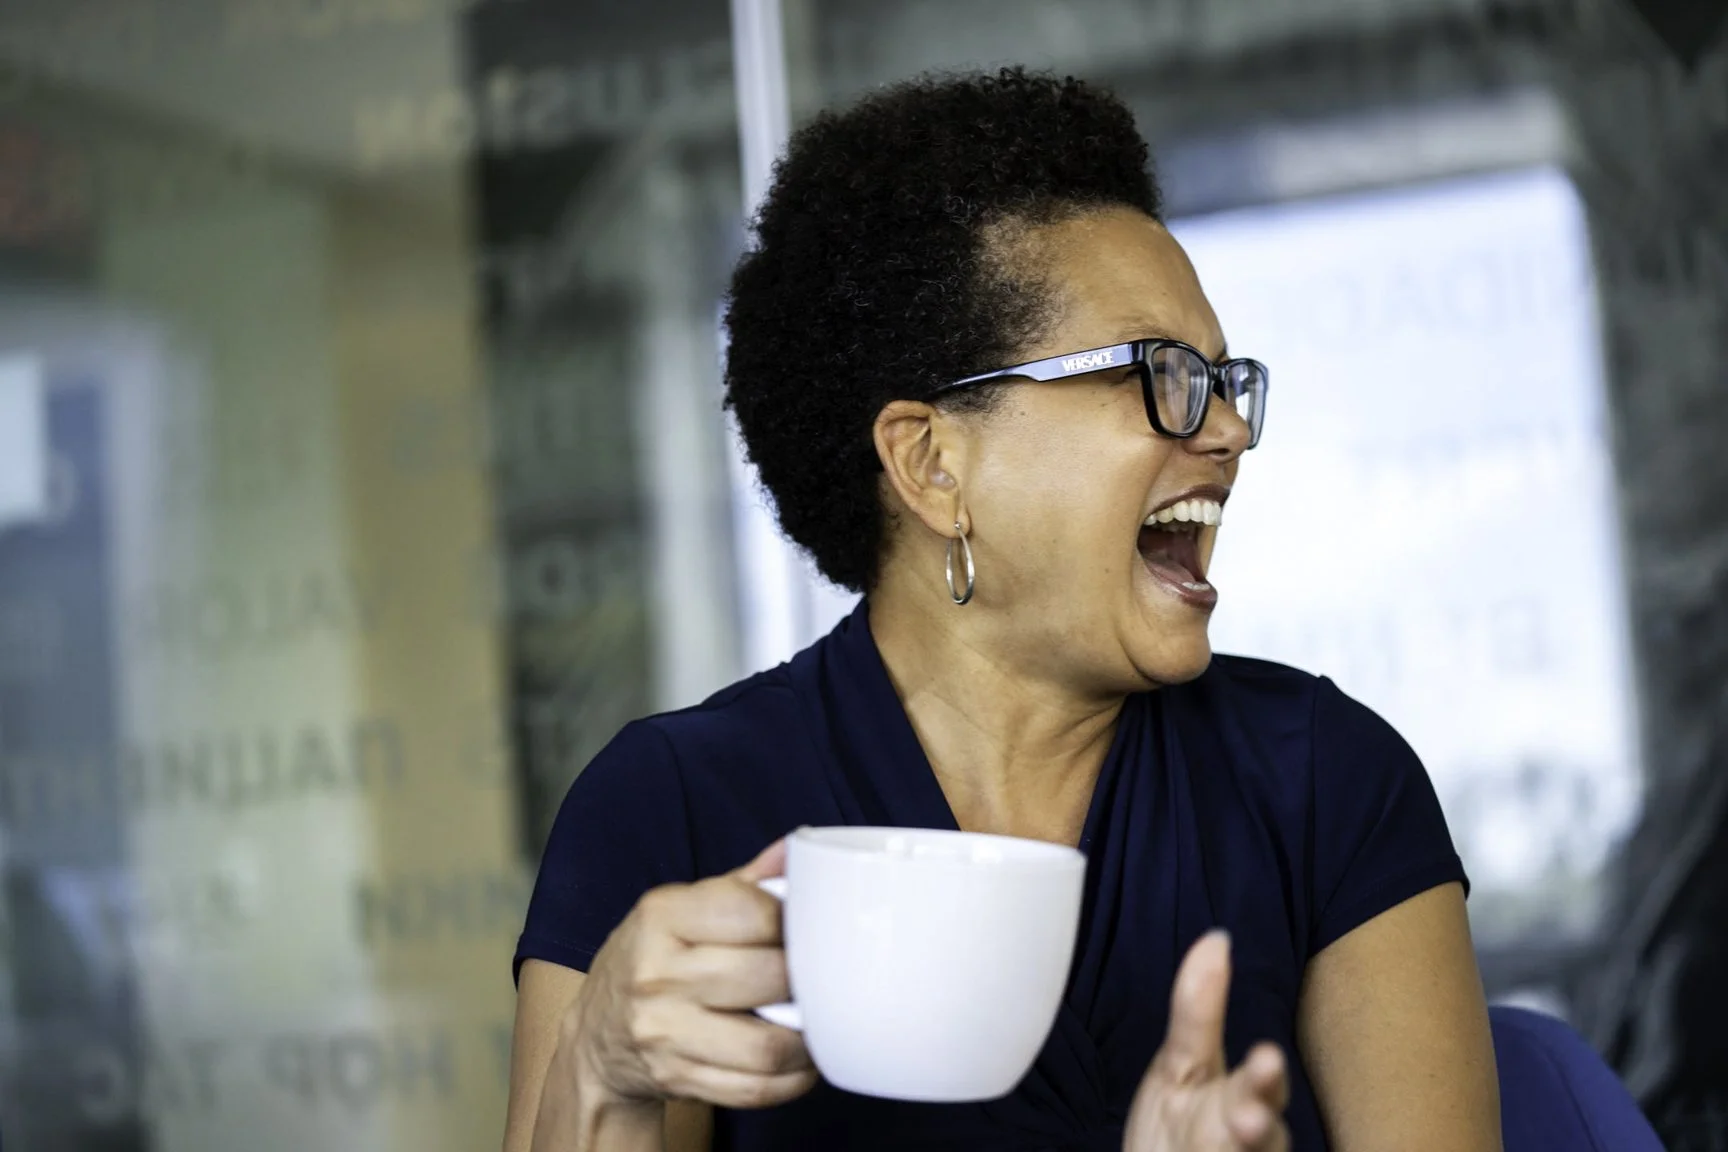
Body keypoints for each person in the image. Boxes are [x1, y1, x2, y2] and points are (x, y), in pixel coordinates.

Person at [502, 69, 1502, 1152]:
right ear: (932, 465)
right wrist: (603, 1069)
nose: (1225, 432)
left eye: (1222, 380)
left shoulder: (1325, 783)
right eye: (1160, 374)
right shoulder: (672, 812)